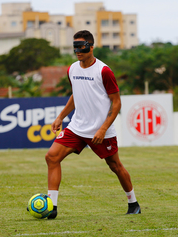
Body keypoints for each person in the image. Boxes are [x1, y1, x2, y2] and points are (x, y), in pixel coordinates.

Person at [44, 30, 140, 219]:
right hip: (77, 127)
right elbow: (75, 95)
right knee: (51, 157)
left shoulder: (104, 71)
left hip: (100, 130)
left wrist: (103, 128)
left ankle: (133, 202)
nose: (78, 51)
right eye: (75, 47)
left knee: (115, 166)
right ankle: (52, 207)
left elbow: (117, 102)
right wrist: (61, 117)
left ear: (91, 46)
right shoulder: (72, 69)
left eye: (82, 47)